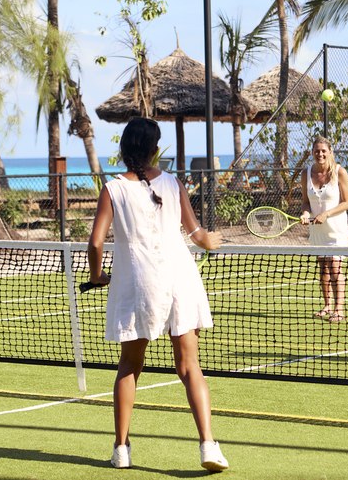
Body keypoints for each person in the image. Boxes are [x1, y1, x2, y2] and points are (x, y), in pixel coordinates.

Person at [86, 118, 229, 471]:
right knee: (189, 367)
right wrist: (210, 239)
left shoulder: (112, 189)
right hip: (179, 277)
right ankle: (208, 445)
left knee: (130, 366)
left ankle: (121, 449)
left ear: (124, 149)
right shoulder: (172, 183)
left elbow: (95, 243)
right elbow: (197, 234)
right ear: (154, 148)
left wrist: (97, 275)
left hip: (137, 281)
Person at [299, 136, 348, 323]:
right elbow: (306, 202)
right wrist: (305, 214)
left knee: (335, 268)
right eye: (317, 150)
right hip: (317, 231)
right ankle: (327, 305)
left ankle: (339, 309)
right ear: (312, 152)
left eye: (323, 151)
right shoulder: (306, 173)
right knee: (323, 269)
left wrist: (326, 214)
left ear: (330, 152)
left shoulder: (340, 172)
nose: (320, 154)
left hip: (336, 230)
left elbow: (347, 203)